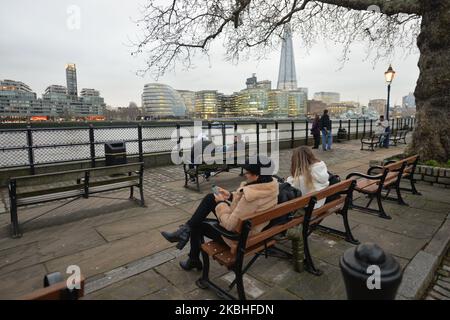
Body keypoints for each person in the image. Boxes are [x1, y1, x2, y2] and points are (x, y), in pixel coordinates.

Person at [160, 156, 278, 271]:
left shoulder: (250, 198)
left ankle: (191, 253)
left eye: (247, 172)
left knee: (198, 224)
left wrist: (221, 203)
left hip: (237, 238)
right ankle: (185, 233)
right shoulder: (269, 187)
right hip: (250, 230)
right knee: (211, 198)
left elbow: (230, 225)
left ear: (257, 176)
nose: (245, 175)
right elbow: (247, 207)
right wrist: (230, 195)